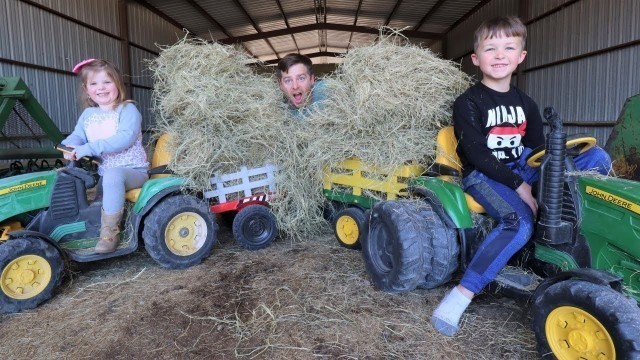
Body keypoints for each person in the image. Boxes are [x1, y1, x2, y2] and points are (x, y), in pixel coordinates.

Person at [430, 16, 611, 336]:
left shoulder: (526, 103)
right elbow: (476, 154)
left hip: (522, 168)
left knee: (596, 156)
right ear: (476, 58)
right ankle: (461, 294)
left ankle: (578, 245)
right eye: (491, 48)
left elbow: (537, 150)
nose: (500, 55)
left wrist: (549, 168)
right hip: (484, 175)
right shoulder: (468, 103)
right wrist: (524, 187)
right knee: (520, 221)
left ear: (520, 57)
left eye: (508, 47)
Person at [61, 59, 149, 253]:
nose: (101, 88)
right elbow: (78, 134)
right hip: (106, 172)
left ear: (117, 84)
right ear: (86, 89)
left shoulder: (128, 110)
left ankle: (110, 234)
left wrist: (91, 148)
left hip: (133, 170)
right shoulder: (88, 115)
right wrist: (71, 144)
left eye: (107, 82)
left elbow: (124, 139)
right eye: (94, 84)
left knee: (112, 176)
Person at [277, 53, 327, 119]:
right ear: (281, 85)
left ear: (312, 79)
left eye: (301, 78)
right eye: (288, 81)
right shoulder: (277, 112)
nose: (295, 86)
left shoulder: (329, 91)